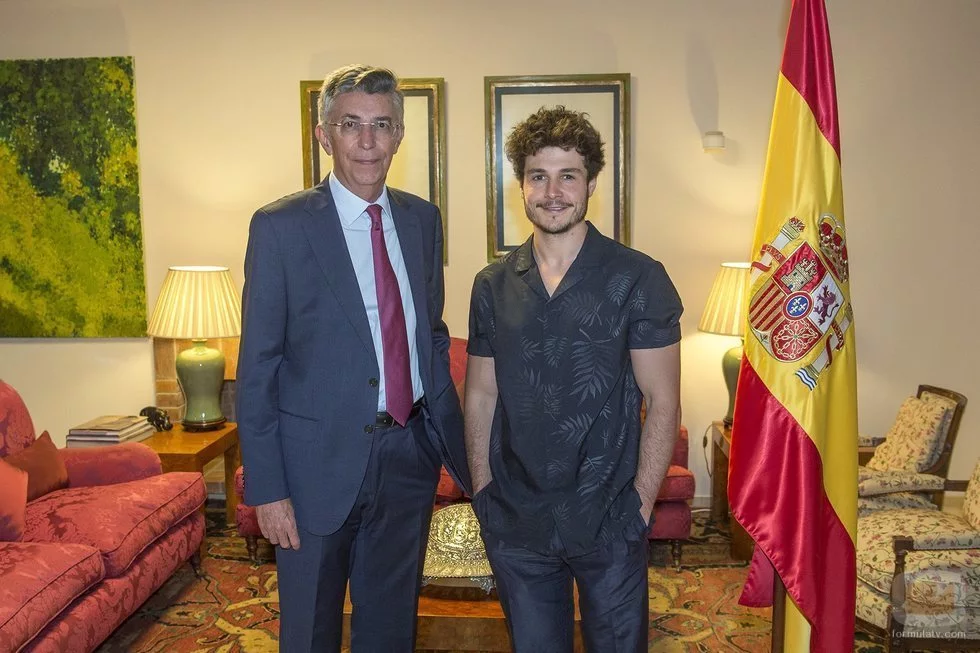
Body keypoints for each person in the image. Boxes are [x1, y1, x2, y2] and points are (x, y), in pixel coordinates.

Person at [236, 64, 470, 652]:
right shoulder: (280, 228)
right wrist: (267, 488)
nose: (368, 141)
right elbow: (258, 368)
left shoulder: (422, 220)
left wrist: (449, 440)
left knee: (390, 630)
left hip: (408, 456)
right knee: (310, 632)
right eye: (351, 124)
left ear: (399, 135)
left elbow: (429, 334)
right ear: (324, 135)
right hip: (313, 468)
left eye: (382, 125)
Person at [464, 106, 682, 652]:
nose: (553, 192)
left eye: (568, 175)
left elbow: (662, 399)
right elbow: (482, 394)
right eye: (538, 176)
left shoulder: (638, 277)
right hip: (516, 519)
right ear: (521, 186)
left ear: (591, 184)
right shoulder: (492, 284)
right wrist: (483, 491)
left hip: (610, 514)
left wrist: (641, 503)